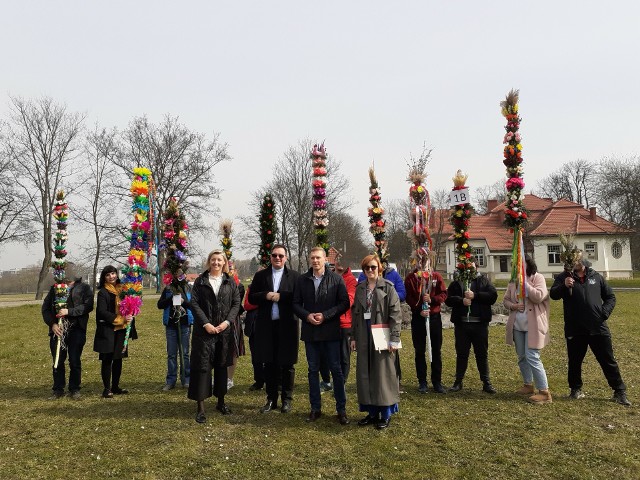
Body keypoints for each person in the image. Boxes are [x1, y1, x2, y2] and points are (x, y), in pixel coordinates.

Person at [550, 256, 631, 406]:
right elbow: (553, 294)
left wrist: (604, 313)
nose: (574, 264)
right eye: (572, 261)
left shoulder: (596, 277)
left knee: (608, 360)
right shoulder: (564, 277)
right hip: (575, 328)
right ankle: (575, 389)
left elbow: (610, 297)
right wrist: (564, 286)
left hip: (597, 327)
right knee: (575, 361)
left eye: (576, 261)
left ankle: (619, 391)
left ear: (583, 262)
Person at [293, 246, 350, 425]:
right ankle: (315, 408)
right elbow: (295, 304)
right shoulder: (302, 280)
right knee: (312, 371)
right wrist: (307, 315)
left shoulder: (336, 279)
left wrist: (326, 315)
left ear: (325, 259)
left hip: (331, 332)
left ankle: (341, 409)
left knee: (336, 370)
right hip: (311, 333)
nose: (315, 261)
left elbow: (344, 303)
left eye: (318, 258)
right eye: (312, 258)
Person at [188, 250, 240, 423]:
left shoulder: (229, 281)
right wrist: (206, 324)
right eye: (213, 260)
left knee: (221, 366)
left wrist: (226, 322)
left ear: (224, 262)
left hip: (223, 331)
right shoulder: (200, 281)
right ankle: (201, 408)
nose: (216, 263)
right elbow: (194, 304)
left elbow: (236, 303)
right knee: (202, 367)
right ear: (209, 261)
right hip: (204, 332)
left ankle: (221, 402)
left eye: (219, 260)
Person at [351, 254, 401, 430]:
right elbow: (355, 314)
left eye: (373, 267)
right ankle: (371, 412)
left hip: (382, 334)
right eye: (367, 268)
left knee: (383, 374)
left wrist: (394, 339)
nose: (370, 270)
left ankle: (385, 414)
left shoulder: (388, 287)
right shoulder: (360, 288)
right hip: (364, 334)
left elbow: (396, 314)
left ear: (379, 267)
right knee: (365, 373)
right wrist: (353, 337)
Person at [249, 244, 300, 413]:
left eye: (281, 255)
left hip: (287, 326)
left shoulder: (294, 277)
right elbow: (251, 297)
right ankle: (271, 399)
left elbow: (298, 297)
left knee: (287, 364)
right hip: (266, 325)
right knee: (269, 363)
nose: (277, 258)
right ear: (270, 257)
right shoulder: (261, 275)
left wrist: (281, 296)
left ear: (286, 258)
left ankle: (287, 399)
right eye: (274, 255)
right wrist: (266, 295)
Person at [503, 255, 552, 404]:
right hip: (518, 326)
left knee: (532, 356)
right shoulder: (513, 282)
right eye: (515, 265)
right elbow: (506, 300)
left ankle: (544, 391)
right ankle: (528, 384)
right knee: (522, 356)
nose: (517, 267)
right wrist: (513, 306)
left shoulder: (538, 278)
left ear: (528, 264)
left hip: (534, 325)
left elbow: (538, 296)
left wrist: (525, 284)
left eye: (520, 264)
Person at [445, 266, 498, 394]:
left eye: (471, 267)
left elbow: (493, 296)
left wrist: (476, 296)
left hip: (479, 325)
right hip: (462, 325)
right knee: (462, 354)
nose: (468, 270)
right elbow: (448, 299)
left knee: (481, 354)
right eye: (465, 267)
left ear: (476, 268)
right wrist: (460, 301)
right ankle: (458, 381)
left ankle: (486, 382)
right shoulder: (457, 282)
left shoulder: (483, 281)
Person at [42, 276, 94, 399]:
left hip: (76, 329)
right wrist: (52, 324)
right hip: (58, 330)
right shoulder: (55, 288)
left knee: (75, 360)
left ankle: (74, 388)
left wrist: (69, 312)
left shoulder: (84, 288)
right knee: (57, 360)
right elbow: (45, 309)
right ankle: (58, 389)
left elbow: (88, 306)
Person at [94, 265, 136, 399]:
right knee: (107, 359)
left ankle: (115, 386)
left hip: (121, 330)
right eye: (108, 275)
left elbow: (129, 304)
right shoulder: (103, 292)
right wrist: (120, 319)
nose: (111, 276)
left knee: (118, 358)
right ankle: (107, 389)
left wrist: (131, 312)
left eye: (113, 273)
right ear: (104, 278)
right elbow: (102, 311)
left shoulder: (123, 289)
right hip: (108, 329)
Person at [404, 267, 448, 394]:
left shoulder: (436, 276)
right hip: (418, 318)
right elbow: (409, 297)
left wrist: (432, 300)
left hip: (434, 317)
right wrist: (418, 309)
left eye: (426, 261)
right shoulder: (411, 278)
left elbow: (444, 293)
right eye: (421, 260)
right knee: (419, 350)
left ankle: (437, 382)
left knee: (436, 350)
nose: (423, 264)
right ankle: (422, 381)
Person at [157, 281, 193, 391]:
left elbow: (194, 305)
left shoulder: (188, 288)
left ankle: (186, 379)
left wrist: (183, 301)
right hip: (171, 326)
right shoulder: (168, 288)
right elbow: (160, 305)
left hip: (184, 325)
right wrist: (171, 298)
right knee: (172, 354)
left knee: (185, 353)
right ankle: (171, 380)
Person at [334, 259, 357, 383]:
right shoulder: (330, 276)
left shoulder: (351, 280)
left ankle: (342, 380)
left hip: (345, 323)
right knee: (333, 354)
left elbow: (349, 300)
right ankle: (335, 379)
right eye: (339, 259)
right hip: (331, 322)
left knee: (344, 355)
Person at [226, 262, 245, 390]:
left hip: (233, 320)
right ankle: (220, 376)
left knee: (233, 351)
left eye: (231, 269)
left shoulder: (240, 286)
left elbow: (236, 304)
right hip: (219, 320)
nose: (229, 271)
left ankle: (229, 378)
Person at [243, 284, 265, 391]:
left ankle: (276, 380)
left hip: (268, 324)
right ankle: (259, 380)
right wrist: (262, 301)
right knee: (256, 356)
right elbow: (247, 305)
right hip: (253, 326)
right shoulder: (252, 287)